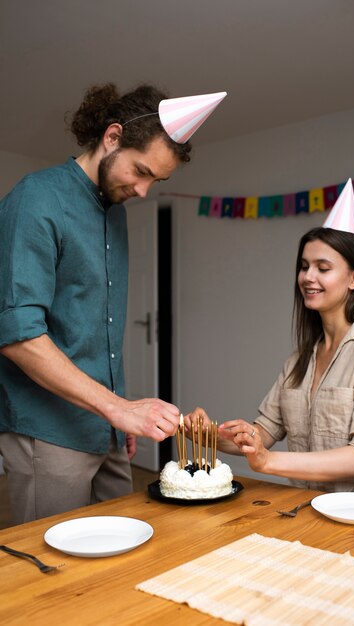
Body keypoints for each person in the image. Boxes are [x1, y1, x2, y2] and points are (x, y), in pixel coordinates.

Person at [0, 83, 225, 523]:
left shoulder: (115, 211)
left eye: (156, 181)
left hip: (107, 428)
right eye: (140, 171)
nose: (143, 191)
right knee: (53, 572)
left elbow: (98, 325)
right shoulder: (36, 199)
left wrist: (118, 412)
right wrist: (118, 408)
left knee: (123, 553)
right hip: (48, 432)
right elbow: (18, 335)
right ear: (112, 137)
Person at [187, 180, 354, 504]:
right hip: (305, 508)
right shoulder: (299, 360)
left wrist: (269, 461)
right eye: (304, 267)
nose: (308, 277)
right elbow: (261, 434)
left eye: (323, 268)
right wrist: (208, 435)